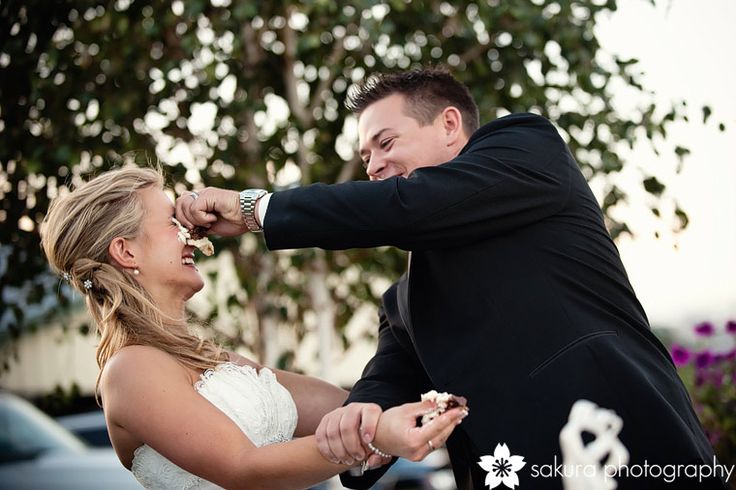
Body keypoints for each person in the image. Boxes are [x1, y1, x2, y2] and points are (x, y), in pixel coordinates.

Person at [175, 68, 727, 489]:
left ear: (449, 124)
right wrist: (359, 422)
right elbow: (385, 383)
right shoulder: (403, 303)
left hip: (626, 447)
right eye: (364, 156)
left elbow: (409, 205)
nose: (372, 166)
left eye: (385, 144)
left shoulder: (528, 150)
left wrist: (256, 209)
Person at [39, 165, 468, 490]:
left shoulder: (215, 361)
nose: (190, 233)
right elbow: (243, 467)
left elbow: (347, 406)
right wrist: (373, 437)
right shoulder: (130, 370)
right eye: (171, 223)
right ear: (125, 251)